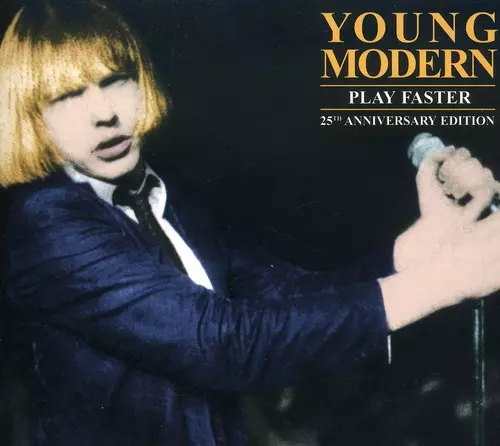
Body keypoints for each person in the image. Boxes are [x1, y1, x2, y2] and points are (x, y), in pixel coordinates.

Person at [1, 1, 500, 445]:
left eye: (115, 79)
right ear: (30, 114)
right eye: (67, 95)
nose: (104, 113)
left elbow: (283, 299)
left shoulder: (171, 196)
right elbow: (222, 344)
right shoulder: (46, 223)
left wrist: (421, 246)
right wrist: (447, 279)